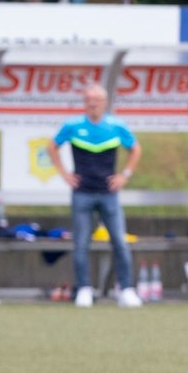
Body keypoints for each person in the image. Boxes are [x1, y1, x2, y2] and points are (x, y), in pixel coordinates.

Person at [54, 83, 143, 308]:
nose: (93, 103)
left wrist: (125, 175)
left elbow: (135, 149)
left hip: (108, 193)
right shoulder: (73, 126)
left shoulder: (115, 126)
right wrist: (65, 174)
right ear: (84, 102)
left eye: (97, 99)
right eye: (89, 99)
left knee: (119, 242)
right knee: (81, 242)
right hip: (82, 192)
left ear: (105, 102)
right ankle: (83, 288)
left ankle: (126, 289)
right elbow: (52, 146)